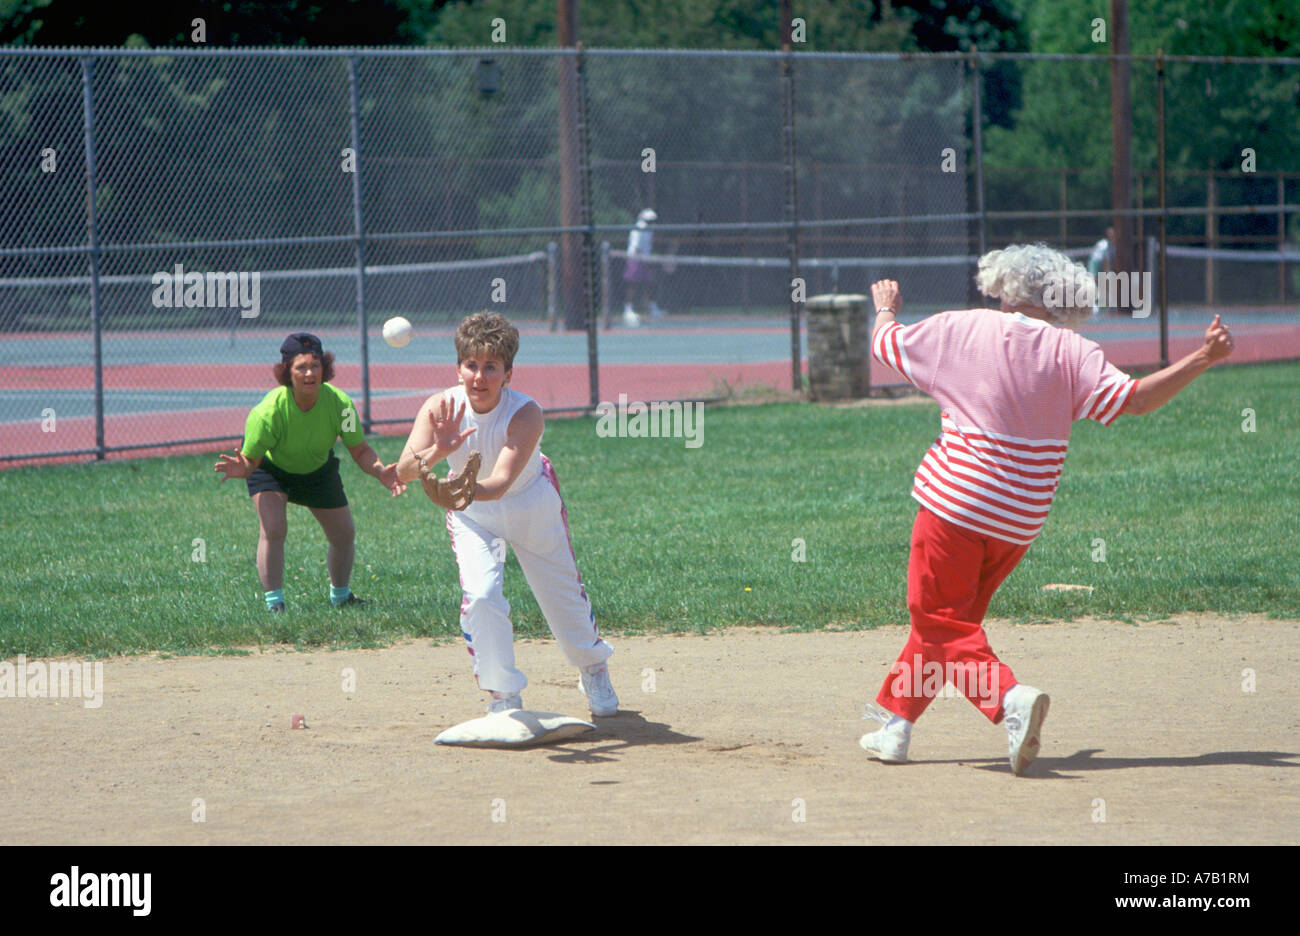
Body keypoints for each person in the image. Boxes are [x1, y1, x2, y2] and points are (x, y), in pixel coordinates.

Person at [860, 244, 1234, 775]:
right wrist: (1203, 358)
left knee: (938, 618)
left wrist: (885, 307)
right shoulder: (1075, 351)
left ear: (1008, 288)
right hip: (1019, 520)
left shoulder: (963, 328)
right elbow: (1137, 400)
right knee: (951, 623)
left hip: (956, 505)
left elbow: (885, 345)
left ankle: (1010, 698)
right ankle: (896, 726)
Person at [395, 312, 617, 717]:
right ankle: (503, 694)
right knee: (481, 596)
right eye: (471, 365)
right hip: (473, 515)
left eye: (491, 367)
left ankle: (593, 667)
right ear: (458, 368)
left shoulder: (525, 413)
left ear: (508, 373)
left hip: (530, 503)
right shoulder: (440, 407)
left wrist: (459, 491)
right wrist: (439, 453)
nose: (479, 377)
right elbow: (404, 472)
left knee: (562, 595)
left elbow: (499, 482)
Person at [214, 332, 405, 612]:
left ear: (324, 369)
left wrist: (379, 471)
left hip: (318, 471)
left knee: (344, 534)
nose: (309, 373)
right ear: (286, 372)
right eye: (300, 367)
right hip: (271, 470)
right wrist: (241, 468)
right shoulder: (267, 412)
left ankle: (341, 597)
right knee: (274, 529)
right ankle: (274, 604)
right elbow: (251, 463)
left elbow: (360, 450)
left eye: (315, 365)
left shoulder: (341, 405)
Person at [623, 208, 663, 327]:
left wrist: (648, 258)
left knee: (650, 283)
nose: (651, 222)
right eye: (650, 220)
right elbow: (636, 247)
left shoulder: (649, 230)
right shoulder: (639, 228)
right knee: (633, 283)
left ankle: (653, 308)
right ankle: (627, 309)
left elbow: (648, 246)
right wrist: (643, 259)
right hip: (635, 259)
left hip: (645, 259)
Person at [1087, 226, 1116, 316]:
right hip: (1095, 263)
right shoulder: (1104, 245)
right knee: (1094, 283)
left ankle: (1103, 305)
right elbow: (1104, 261)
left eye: (1113, 234)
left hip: (1101, 265)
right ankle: (1093, 305)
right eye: (1110, 234)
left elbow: (1110, 262)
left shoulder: (1113, 246)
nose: (1111, 236)